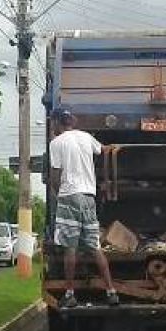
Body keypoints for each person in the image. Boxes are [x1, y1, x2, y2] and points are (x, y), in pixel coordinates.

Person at [49, 108, 119, 307]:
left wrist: (57, 193)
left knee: (70, 248)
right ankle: (111, 292)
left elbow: (55, 175)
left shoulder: (56, 143)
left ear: (57, 122)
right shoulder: (87, 137)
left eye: (53, 122)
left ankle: (70, 294)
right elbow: (104, 149)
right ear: (71, 121)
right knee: (94, 246)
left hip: (69, 196)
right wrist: (114, 147)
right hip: (89, 197)